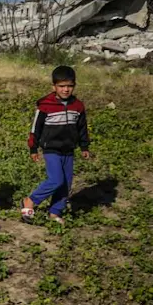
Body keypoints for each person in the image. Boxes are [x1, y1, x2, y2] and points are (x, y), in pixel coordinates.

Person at [22, 66, 91, 225]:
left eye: (69, 86)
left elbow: (82, 128)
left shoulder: (78, 106)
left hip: (69, 150)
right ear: (54, 87)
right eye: (61, 86)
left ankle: (55, 212)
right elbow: (35, 128)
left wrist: (84, 146)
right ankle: (30, 200)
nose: (66, 89)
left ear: (74, 86)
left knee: (66, 183)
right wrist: (33, 148)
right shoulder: (45, 105)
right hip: (51, 149)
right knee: (56, 179)